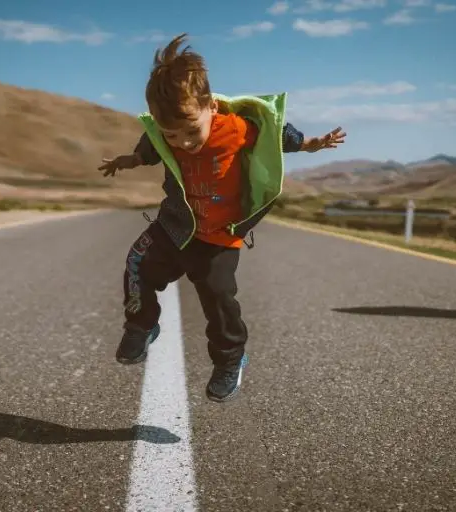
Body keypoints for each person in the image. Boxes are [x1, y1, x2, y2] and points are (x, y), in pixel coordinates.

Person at [99, 33, 346, 402]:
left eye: (190, 131)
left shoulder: (235, 128)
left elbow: (273, 133)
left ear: (211, 106)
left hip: (218, 237)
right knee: (137, 262)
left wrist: (309, 143)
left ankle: (230, 360)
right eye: (172, 134)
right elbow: (151, 145)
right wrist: (130, 159)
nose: (182, 142)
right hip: (175, 225)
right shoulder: (165, 135)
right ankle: (140, 325)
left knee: (218, 302)